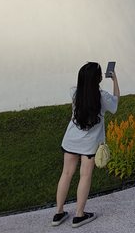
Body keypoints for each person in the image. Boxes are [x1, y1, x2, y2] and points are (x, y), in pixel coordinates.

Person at [52, 62, 120, 228]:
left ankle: (58, 213)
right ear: (98, 79)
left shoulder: (74, 93)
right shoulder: (103, 97)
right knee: (85, 176)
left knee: (66, 174)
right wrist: (115, 80)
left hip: (70, 140)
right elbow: (115, 104)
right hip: (89, 145)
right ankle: (79, 215)